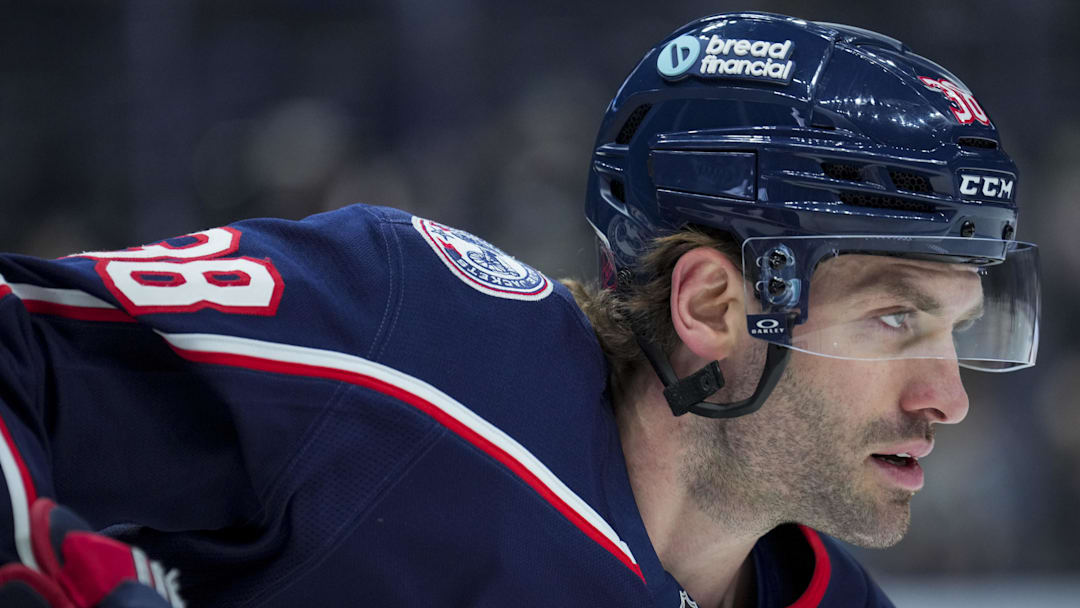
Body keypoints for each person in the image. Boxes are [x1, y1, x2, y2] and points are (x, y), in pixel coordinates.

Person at [0, 11, 1039, 608]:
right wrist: (36, 562)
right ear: (715, 305)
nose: (947, 397)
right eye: (895, 319)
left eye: (955, 327)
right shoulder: (402, 337)